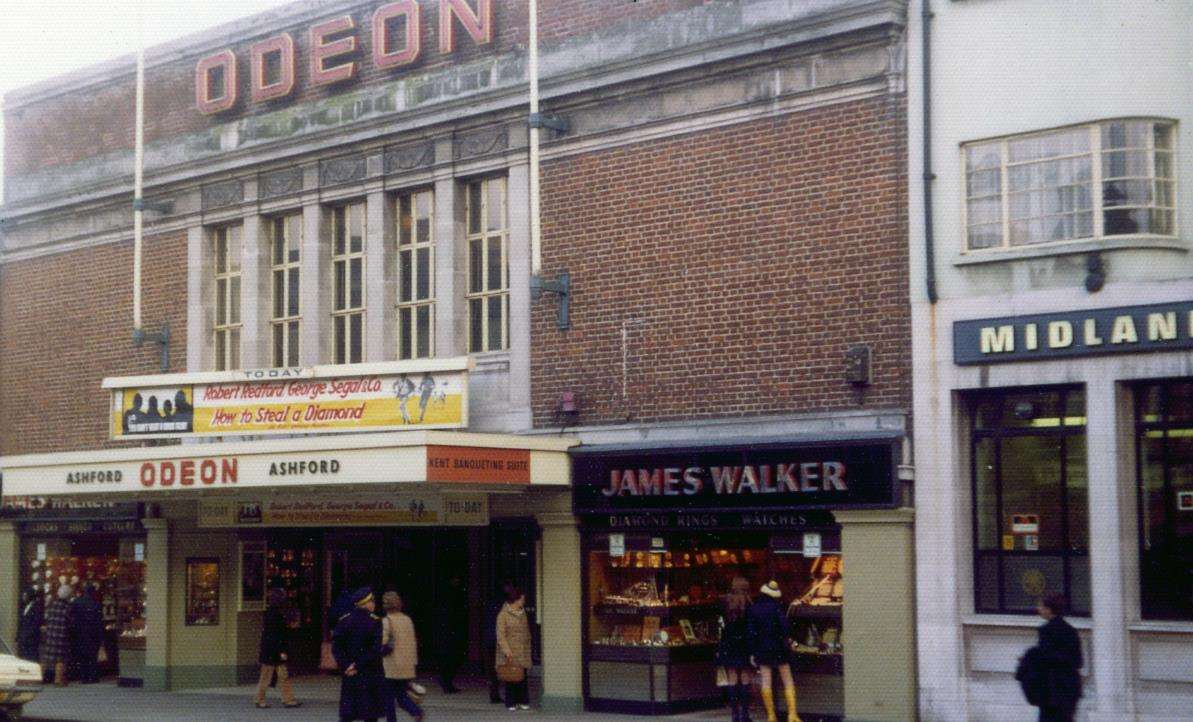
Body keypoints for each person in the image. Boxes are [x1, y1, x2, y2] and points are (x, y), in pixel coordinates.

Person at [747, 581, 801, 722]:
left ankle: (771, 716)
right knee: (787, 680)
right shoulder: (777, 608)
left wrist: (753, 652)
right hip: (779, 647)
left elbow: (751, 633)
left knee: (766, 682)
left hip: (762, 648)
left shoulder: (753, 609)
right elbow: (784, 629)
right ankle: (792, 715)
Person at [333, 588, 388, 722]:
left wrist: (347, 666)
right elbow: (375, 650)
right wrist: (358, 665)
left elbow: (337, 648)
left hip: (350, 674)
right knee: (370, 714)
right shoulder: (375, 621)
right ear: (365, 602)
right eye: (372, 601)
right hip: (369, 672)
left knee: (348, 714)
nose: (374, 604)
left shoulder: (344, 620)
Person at [1034, 593, 1083, 722]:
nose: (1038, 609)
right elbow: (1078, 661)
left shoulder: (1046, 631)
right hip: (1071, 687)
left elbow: (1044, 659)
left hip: (1052, 689)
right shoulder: (1071, 630)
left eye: (1041, 606)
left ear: (1049, 609)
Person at [380, 592, 423, 722]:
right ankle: (416, 711)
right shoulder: (407, 620)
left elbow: (382, 642)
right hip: (406, 665)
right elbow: (412, 642)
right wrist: (413, 663)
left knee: (388, 699)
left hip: (390, 666)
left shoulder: (386, 621)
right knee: (401, 695)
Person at [255, 588, 301, 709]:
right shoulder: (277, 615)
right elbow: (278, 634)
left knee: (272, 675)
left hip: (269, 650)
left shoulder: (270, 613)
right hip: (275, 650)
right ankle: (282, 699)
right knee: (275, 675)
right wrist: (282, 651)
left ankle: (285, 699)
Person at [717, 577, 754, 722]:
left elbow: (722, 623)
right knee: (745, 677)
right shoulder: (749, 604)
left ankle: (734, 715)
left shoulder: (726, 603)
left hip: (729, 643)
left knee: (732, 677)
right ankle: (745, 714)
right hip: (744, 643)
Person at [495, 586, 532, 712]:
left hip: (522, 650)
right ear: (516, 600)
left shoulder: (523, 613)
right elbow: (500, 635)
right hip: (510, 651)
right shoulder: (503, 614)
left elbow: (526, 631)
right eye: (522, 599)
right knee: (511, 676)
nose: (523, 601)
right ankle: (511, 702)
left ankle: (523, 701)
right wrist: (507, 650)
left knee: (522, 675)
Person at [486, 580, 516, 704]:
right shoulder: (505, 604)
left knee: (495, 669)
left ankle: (495, 694)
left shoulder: (493, 603)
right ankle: (507, 696)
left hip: (491, 638)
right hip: (499, 640)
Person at [436, 575, 466, 694]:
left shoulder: (450, 595)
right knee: (450, 658)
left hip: (449, 631)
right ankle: (446, 681)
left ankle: (446, 681)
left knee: (451, 658)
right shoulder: (450, 596)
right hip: (449, 631)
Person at [69, 583, 104, 683]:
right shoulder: (96, 604)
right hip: (93, 634)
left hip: (80, 633)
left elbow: (71, 616)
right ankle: (92, 676)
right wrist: (101, 637)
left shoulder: (77, 602)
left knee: (82, 656)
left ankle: (84, 677)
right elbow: (99, 621)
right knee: (92, 656)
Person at [42, 585, 73, 686]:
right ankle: (58, 680)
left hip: (51, 634)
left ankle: (40, 678)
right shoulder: (68, 607)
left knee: (47, 658)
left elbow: (47, 617)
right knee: (61, 659)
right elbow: (70, 622)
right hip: (62, 635)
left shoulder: (52, 604)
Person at [17, 589, 43, 662]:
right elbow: (21, 622)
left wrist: (28, 635)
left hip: (31, 640)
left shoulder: (36, 607)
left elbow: (36, 623)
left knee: (31, 658)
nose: (23, 597)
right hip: (23, 639)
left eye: (25, 595)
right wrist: (18, 636)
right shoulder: (24, 607)